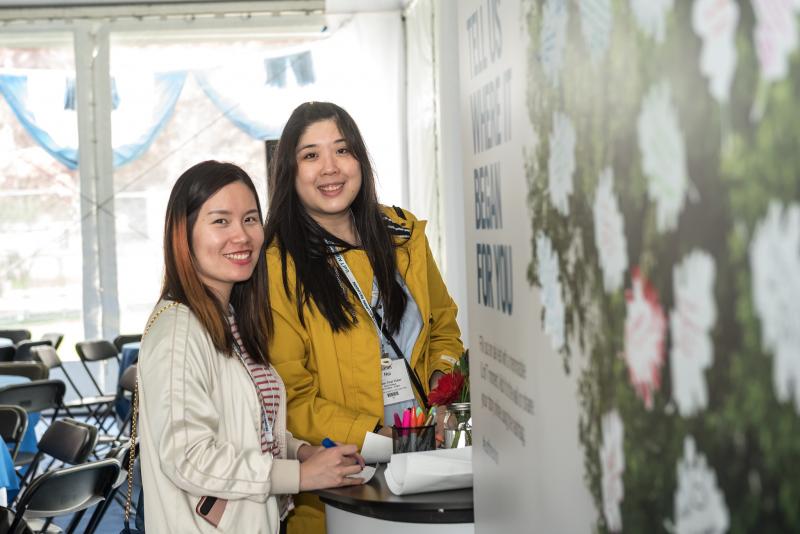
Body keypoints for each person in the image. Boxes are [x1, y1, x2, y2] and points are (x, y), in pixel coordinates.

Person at [265, 102, 465, 533]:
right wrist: (381, 439)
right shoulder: (278, 267)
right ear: (290, 171)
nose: (330, 168)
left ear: (360, 158)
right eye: (311, 155)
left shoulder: (403, 233)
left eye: (342, 150)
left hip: (429, 454)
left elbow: (444, 325)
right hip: (343, 482)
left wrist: (441, 388)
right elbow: (291, 398)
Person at [137, 160, 365, 534]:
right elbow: (188, 457)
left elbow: (245, 426)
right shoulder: (180, 330)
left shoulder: (229, 319)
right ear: (184, 234)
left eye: (250, 219)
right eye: (220, 221)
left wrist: (301, 451)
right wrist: (300, 475)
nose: (241, 236)